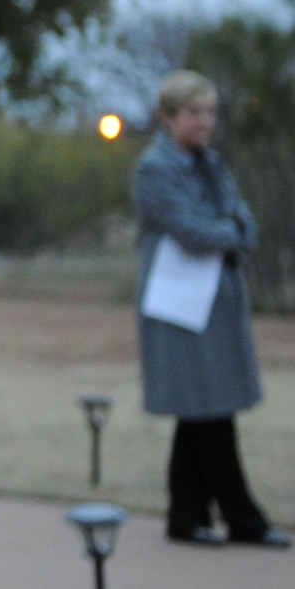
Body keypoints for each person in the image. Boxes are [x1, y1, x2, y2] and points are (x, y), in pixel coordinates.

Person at [133, 70, 289, 548]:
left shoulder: (212, 164)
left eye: (210, 113)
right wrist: (229, 233)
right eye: (194, 113)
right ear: (168, 116)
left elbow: (244, 222)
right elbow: (191, 229)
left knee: (200, 411)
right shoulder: (153, 169)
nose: (205, 123)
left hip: (216, 302)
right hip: (177, 305)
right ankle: (242, 517)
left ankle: (187, 516)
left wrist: (230, 232)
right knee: (208, 409)